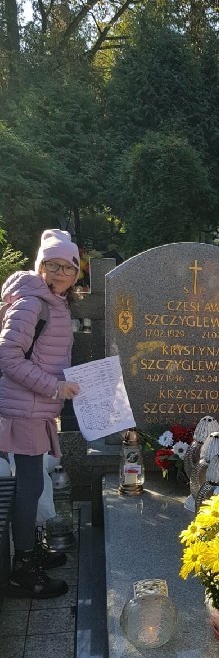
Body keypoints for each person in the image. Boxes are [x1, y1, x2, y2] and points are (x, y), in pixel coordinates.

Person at [0, 229, 81, 598]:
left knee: (30, 486)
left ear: (77, 272)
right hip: (24, 409)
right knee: (29, 487)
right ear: (40, 265)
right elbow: (8, 357)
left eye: (69, 266)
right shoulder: (33, 302)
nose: (61, 272)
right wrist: (54, 388)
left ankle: (31, 552)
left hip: (34, 407)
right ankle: (23, 569)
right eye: (53, 264)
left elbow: (47, 357)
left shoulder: (53, 301)